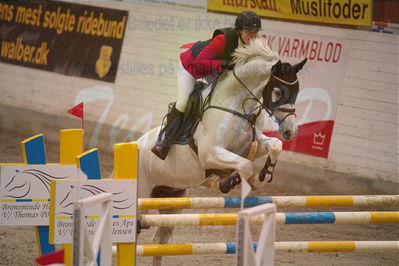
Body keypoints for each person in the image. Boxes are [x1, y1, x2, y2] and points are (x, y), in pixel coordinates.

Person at [152, 10, 262, 160]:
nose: (253, 36)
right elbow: (200, 62)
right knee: (184, 103)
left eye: (255, 32)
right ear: (239, 30)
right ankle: (165, 141)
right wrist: (223, 63)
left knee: (223, 96)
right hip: (190, 67)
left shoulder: (251, 45)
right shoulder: (223, 40)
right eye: (249, 32)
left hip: (213, 70)